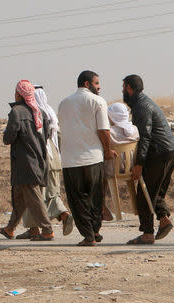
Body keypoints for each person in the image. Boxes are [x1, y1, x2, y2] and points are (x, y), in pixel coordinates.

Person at [58, 70, 116, 246]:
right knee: (95, 198)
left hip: (70, 160)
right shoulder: (98, 101)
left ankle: (89, 234)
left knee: (78, 200)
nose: (99, 87)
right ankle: (94, 232)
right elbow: (104, 130)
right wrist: (107, 150)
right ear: (86, 84)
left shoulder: (63, 103)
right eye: (97, 83)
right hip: (93, 158)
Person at [122, 74, 174, 245]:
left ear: (129, 88)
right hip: (170, 150)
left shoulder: (141, 106)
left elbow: (145, 136)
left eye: (123, 87)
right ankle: (163, 220)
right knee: (155, 192)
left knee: (143, 193)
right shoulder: (144, 102)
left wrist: (139, 164)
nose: (123, 91)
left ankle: (147, 233)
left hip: (159, 152)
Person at [0, 80, 54, 241]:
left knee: (33, 197)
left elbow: (8, 138)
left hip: (25, 163)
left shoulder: (16, 112)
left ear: (18, 94)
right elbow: (47, 135)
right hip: (39, 160)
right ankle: (10, 228)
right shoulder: (41, 113)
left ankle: (47, 230)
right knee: (20, 197)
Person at [15, 86, 74, 239]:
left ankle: (34, 229)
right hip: (54, 157)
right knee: (52, 194)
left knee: (33, 194)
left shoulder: (34, 114)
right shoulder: (50, 112)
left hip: (40, 158)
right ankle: (63, 214)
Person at [102, 102, 140, 221]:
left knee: (99, 171)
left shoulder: (111, 132)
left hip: (113, 170)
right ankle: (137, 209)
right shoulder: (134, 129)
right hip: (131, 168)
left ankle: (101, 207)